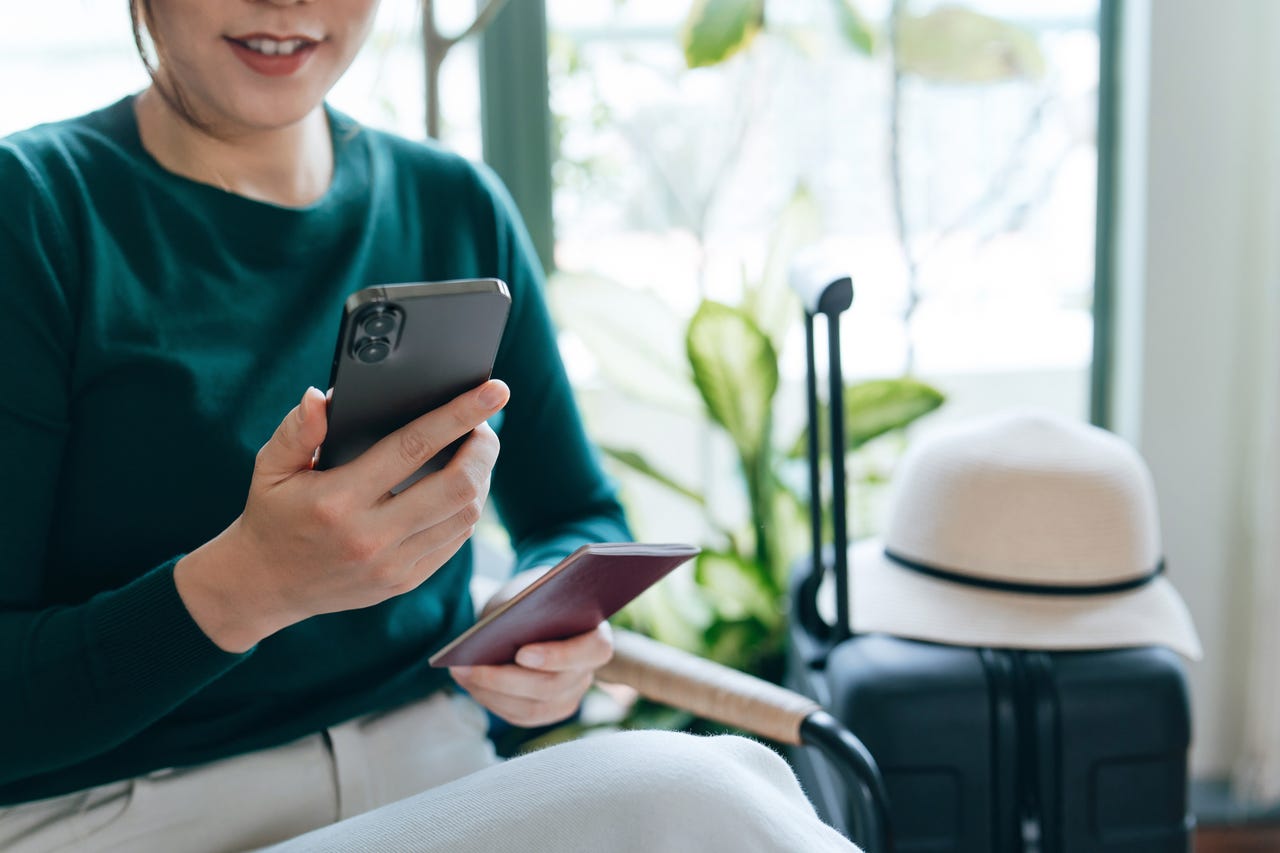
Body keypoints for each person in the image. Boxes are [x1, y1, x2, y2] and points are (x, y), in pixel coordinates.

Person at [0, 1, 859, 851]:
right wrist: (251, 584)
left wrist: (539, 623)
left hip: (438, 779)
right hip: (126, 813)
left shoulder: (452, 204)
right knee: (694, 794)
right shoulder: (34, 211)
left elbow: (573, 512)